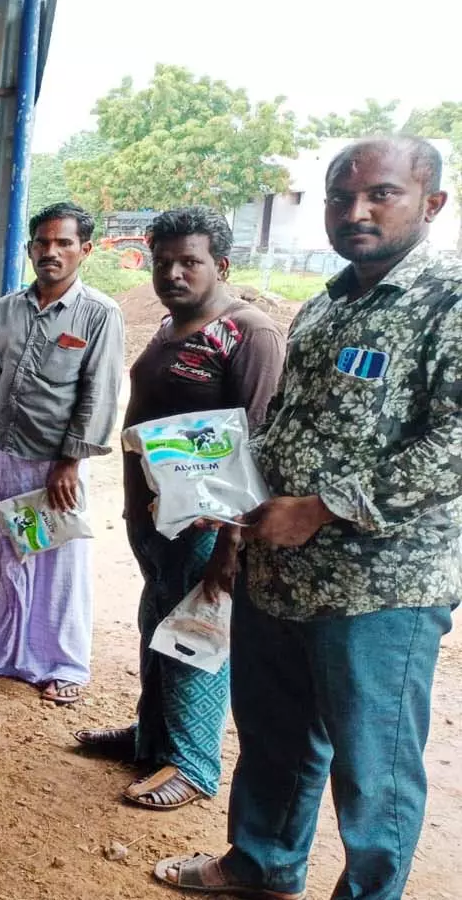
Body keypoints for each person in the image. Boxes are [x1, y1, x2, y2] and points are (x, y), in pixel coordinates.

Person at [154, 136, 460, 899]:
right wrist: (216, 488)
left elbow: (455, 441)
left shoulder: (449, 300)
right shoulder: (326, 305)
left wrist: (325, 508)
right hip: (281, 572)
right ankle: (262, 864)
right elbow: (285, 426)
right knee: (275, 736)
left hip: (380, 589)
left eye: (380, 194)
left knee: (374, 769)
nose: (356, 211)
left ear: (431, 203)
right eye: (340, 197)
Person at [73, 208, 285, 810]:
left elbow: (259, 446)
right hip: (155, 520)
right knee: (157, 626)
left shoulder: (248, 334)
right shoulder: (170, 327)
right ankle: (151, 736)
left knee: (195, 634)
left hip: (209, 527)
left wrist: (230, 547)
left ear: (222, 265)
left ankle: (191, 764)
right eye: (162, 261)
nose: (172, 273)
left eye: (189, 261)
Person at [0, 202, 124, 705]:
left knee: (55, 565)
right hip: (6, 453)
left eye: (64, 243)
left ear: (84, 250)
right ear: (30, 249)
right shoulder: (6, 309)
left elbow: (99, 392)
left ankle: (61, 662)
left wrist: (70, 462)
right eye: (43, 243)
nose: (52, 252)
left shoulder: (99, 314)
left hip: (55, 466)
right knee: (3, 553)